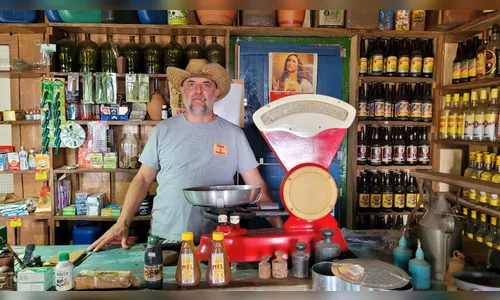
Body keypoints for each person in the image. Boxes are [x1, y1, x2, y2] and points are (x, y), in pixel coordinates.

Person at [88, 59, 284, 252]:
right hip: (167, 236)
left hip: (218, 238)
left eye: (205, 84)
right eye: (191, 84)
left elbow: (258, 188)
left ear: (216, 92)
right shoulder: (163, 130)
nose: (198, 91)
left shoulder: (233, 134)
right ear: (182, 91)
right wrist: (123, 222)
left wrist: (280, 231)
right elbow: (142, 179)